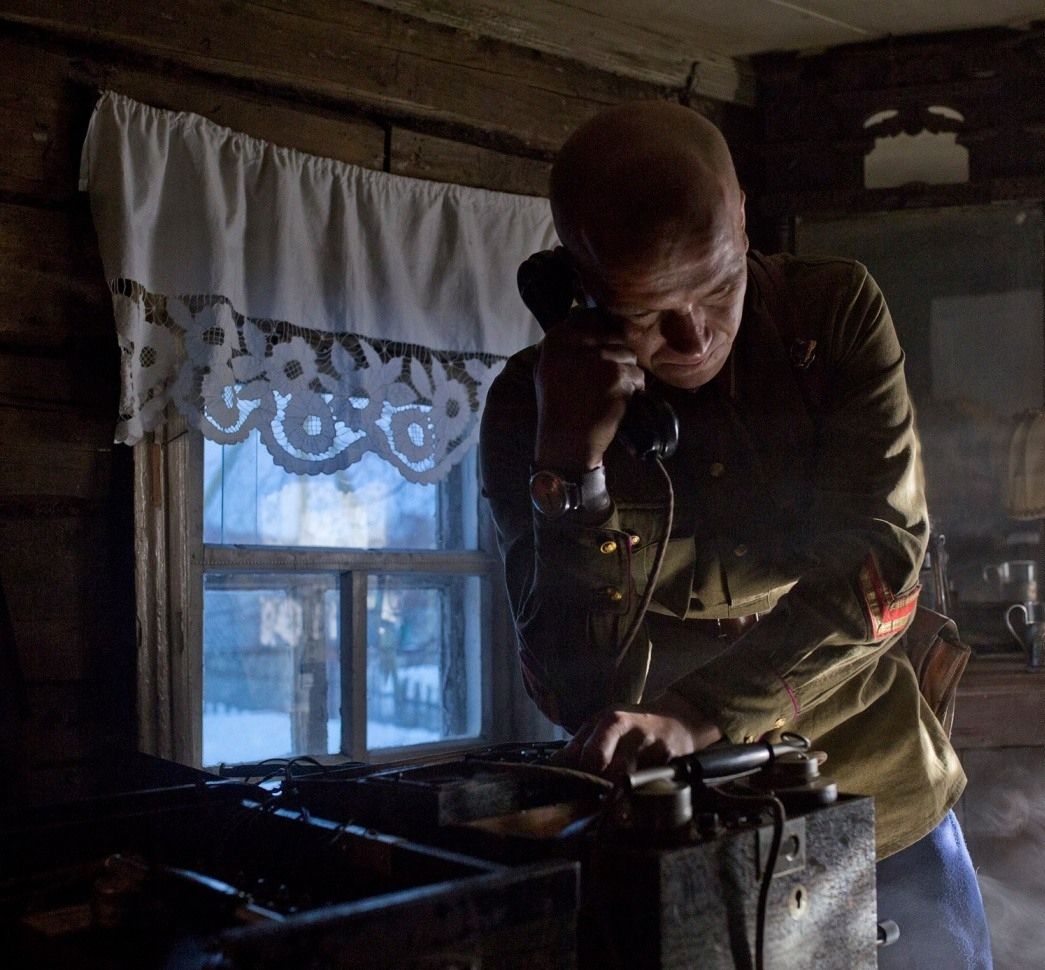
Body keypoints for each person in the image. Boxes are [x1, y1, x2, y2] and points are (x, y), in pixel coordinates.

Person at [479, 100, 992, 968]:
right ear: (579, 286)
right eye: (647, 311)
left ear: (743, 216)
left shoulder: (831, 315)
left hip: (879, 805)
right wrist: (573, 466)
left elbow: (882, 572)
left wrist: (695, 716)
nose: (692, 337)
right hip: (679, 843)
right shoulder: (529, 408)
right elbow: (567, 680)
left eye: (717, 287)